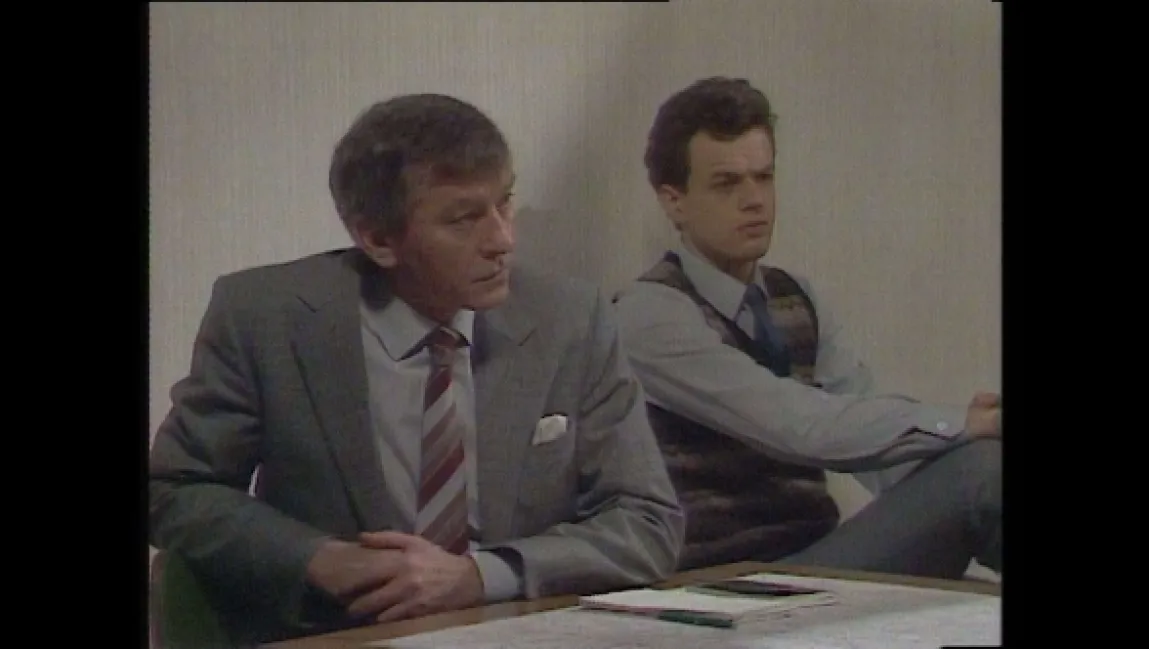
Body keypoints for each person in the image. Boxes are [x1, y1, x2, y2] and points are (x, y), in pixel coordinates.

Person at [149, 93, 685, 645]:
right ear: (379, 239)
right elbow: (177, 489)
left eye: (504, 203)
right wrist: (320, 558)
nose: (503, 240)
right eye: (464, 219)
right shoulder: (266, 319)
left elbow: (647, 522)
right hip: (339, 634)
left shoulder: (569, 319)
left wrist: (480, 576)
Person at [613, 77, 1001, 579]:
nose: (754, 200)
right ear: (674, 201)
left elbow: (873, 445)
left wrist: (965, 445)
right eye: (727, 184)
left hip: (814, 560)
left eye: (764, 178)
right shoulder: (650, 314)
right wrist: (960, 427)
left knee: (982, 467)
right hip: (724, 581)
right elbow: (799, 426)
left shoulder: (796, 296)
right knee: (979, 471)